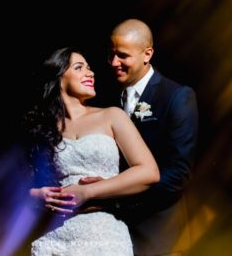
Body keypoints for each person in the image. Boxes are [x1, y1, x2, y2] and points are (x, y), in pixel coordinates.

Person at [22, 46, 160, 256]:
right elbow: (8, 188)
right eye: (79, 68)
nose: (90, 73)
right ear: (59, 78)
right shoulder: (41, 130)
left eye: (89, 68)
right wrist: (37, 195)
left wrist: (87, 191)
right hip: (53, 237)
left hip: (103, 234)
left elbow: (149, 172)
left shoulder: (112, 116)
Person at [82, 18, 199, 256]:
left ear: (147, 54)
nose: (114, 62)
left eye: (123, 56)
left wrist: (112, 196)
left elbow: (177, 175)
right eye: (111, 54)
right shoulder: (107, 97)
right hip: (109, 233)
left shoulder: (176, 97)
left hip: (157, 235)